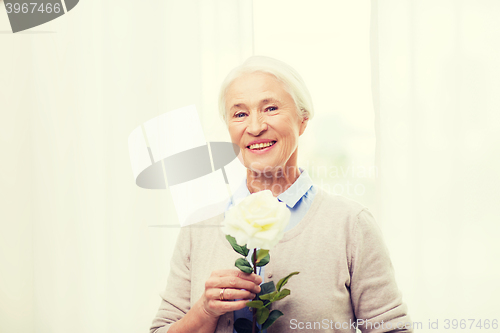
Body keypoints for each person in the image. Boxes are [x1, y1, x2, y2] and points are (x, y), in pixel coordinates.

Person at [150, 56, 413, 333]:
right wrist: (204, 311)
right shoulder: (198, 227)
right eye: (239, 114)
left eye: (271, 108)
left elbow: (392, 329)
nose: (254, 127)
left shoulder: (351, 224)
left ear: (303, 120)